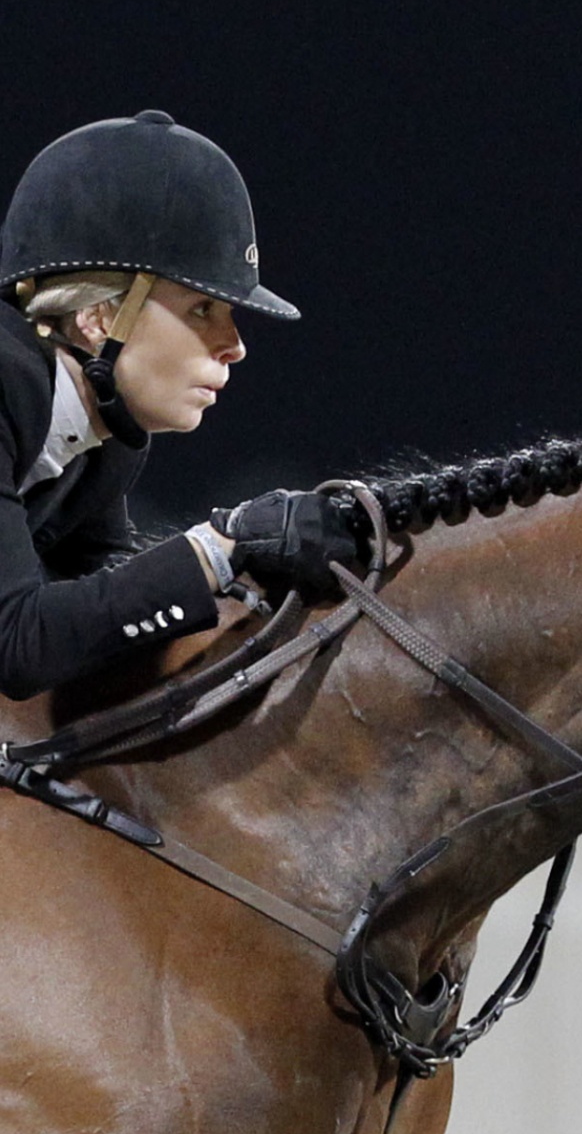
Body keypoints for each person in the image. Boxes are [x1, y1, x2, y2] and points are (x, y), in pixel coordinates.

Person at [0, 109, 366, 704]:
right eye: (202, 309)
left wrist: (250, 576)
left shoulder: (107, 442)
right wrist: (222, 545)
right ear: (98, 319)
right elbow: (17, 643)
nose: (236, 346)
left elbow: (98, 608)